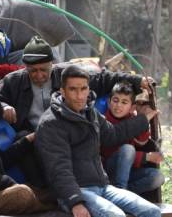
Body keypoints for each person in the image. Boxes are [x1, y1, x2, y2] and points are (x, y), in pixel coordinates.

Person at [35, 65, 161, 217]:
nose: (79, 95)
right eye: (73, 89)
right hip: (76, 192)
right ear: (62, 91)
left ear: (88, 90)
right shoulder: (51, 123)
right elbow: (59, 170)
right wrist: (76, 202)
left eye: (83, 89)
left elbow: (113, 135)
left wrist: (142, 119)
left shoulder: (90, 113)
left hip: (103, 187)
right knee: (115, 215)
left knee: (152, 211)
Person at [0, 35, 154, 135]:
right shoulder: (14, 81)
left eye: (43, 70)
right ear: (25, 67)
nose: (38, 75)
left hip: (65, 133)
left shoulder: (67, 75)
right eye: (33, 71)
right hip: (32, 135)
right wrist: (3, 107)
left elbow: (102, 78)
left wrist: (138, 80)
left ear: (52, 64)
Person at [101, 82, 164, 194]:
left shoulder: (133, 119)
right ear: (109, 102)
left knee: (157, 177)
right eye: (115, 100)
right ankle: (121, 192)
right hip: (108, 171)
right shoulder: (103, 120)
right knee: (128, 149)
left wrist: (142, 119)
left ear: (132, 107)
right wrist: (146, 157)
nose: (118, 105)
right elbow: (110, 151)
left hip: (128, 172)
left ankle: (121, 194)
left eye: (124, 102)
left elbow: (142, 141)